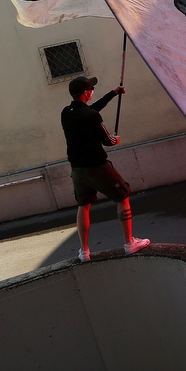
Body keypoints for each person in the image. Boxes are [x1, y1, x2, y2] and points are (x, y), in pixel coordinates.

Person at [61, 76, 149, 262]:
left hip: (78, 170)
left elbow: (90, 110)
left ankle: (84, 252)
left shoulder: (66, 113)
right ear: (86, 93)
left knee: (83, 206)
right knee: (123, 195)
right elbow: (107, 140)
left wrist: (113, 93)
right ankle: (129, 243)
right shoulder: (92, 116)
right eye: (91, 89)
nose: (92, 91)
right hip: (97, 167)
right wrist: (116, 140)